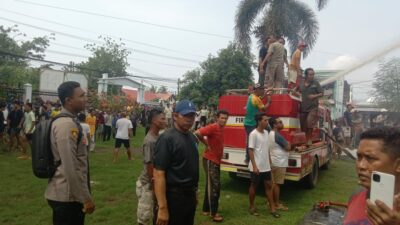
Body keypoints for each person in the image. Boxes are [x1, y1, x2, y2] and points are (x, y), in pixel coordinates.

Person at [45, 81, 94, 225]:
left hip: (68, 194)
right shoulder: (66, 125)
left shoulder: (70, 121)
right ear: (68, 100)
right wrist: (84, 198)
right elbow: (70, 166)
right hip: (67, 196)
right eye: (82, 96)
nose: (85, 99)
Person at [153, 99, 199, 225]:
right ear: (175, 116)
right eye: (185, 115)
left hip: (189, 197)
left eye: (192, 115)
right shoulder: (167, 139)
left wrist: (194, 192)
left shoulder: (191, 137)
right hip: (173, 198)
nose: (189, 119)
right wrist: (162, 207)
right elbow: (158, 174)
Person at [343, 127, 400, 225]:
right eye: (359, 157)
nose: (361, 165)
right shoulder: (356, 197)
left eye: (370, 158)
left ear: (398, 165)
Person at [195, 110, 229, 222]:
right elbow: (198, 133)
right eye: (222, 118)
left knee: (210, 185)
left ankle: (206, 209)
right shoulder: (213, 127)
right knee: (215, 186)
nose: (224, 120)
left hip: (215, 160)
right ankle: (213, 213)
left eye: (225, 118)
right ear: (217, 118)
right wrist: (206, 144)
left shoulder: (221, 128)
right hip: (210, 159)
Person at [136, 108, 167, 225]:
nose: (165, 121)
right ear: (154, 121)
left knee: (155, 211)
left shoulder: (158, 136)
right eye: (162, 119)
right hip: (148, 183)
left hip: (155, 181)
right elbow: (149, 164)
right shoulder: (149, 141)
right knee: (144, 215)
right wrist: (154, 185)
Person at [248, 112, 280, 218]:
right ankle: (252, 207)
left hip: (266, 166)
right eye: (265, 120)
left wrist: (269, 161)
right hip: (256, 167)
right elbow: (251, 150)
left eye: (267, 120)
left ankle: (272, 208)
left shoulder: (266, 133)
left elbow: (266, 148)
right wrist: (255, 166)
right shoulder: (253, 134)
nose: (267, 122)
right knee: (254, 186)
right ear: (259, 121)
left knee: (269, 186)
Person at [244, 83, 271, 163]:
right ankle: (248, 159)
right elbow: (263, 109)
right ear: (257, 90)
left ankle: (250, 157)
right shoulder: (255, 99)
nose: (263, 91)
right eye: (262, 89)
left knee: (267, 129)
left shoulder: (252, 96)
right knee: (251, 141)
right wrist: (269, 102)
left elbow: (260, 99)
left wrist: (266, 93)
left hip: (249, 122)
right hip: (251, 123)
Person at [295, 68, 323, 146]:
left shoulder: (316, 83)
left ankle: (309, 140)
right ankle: (307, 139)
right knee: (304, 126)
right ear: (306, 75)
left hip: (313, 108)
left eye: (313, 74)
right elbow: (295, 91)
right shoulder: (301, 83)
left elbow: (321, 93)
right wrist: (297, 93)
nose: (312, 76)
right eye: (310, 74)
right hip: (303, 108)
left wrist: (314, 96)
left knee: (309, 122)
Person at [269, 117, 291, 212]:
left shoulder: (270, 133)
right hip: (279, 162)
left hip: (273, 161)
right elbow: (288, 147)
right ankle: (276, 204)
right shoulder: (277, 135)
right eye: (280, 122)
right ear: (274, 125)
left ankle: (271, 201)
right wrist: (289, 144)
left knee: (273, 183)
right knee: (277, 184)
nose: (282, 124)